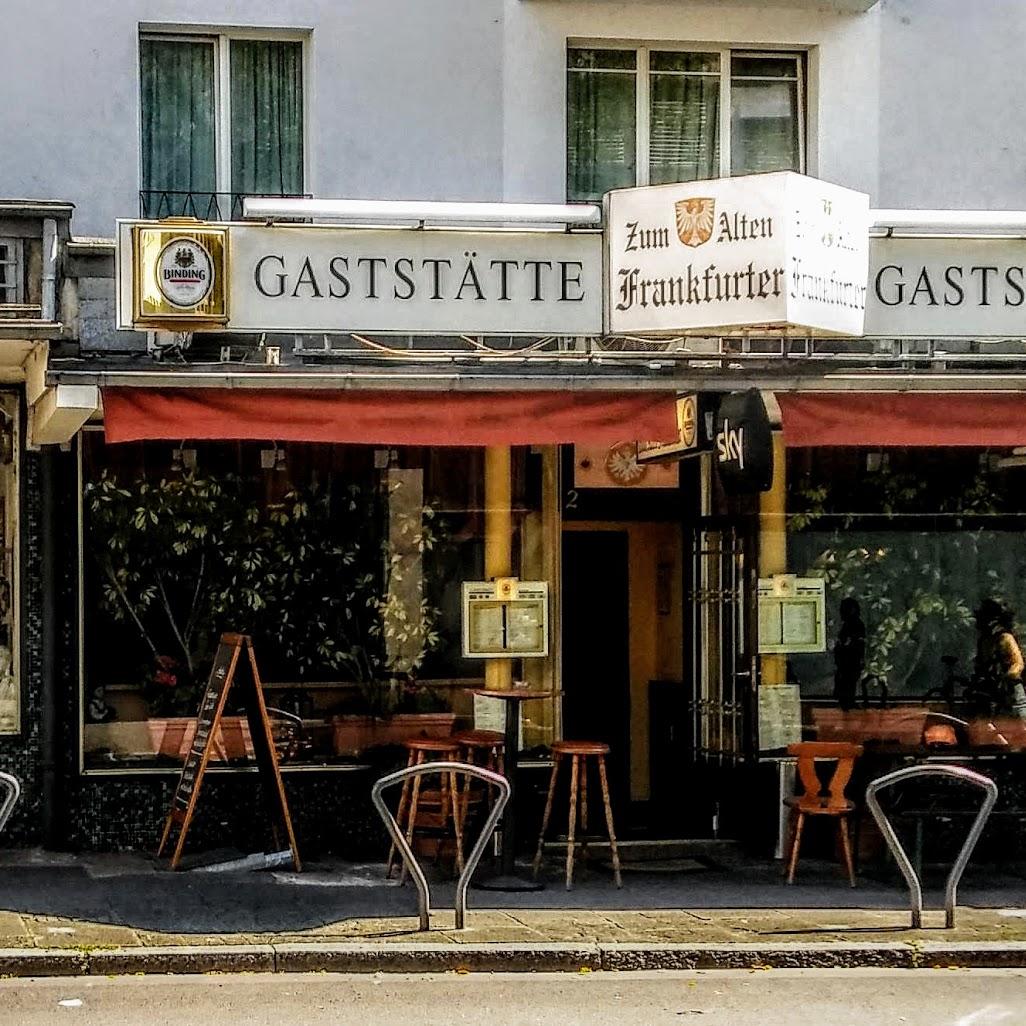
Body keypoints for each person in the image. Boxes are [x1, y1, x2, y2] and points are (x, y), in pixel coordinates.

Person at [973, 598, 1026, 720]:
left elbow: (1018, 664)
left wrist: (1006, 678)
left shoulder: (1005, 638)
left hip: (1011, 694)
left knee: (1020, 726)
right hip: (994, 695)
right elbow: (981, 665)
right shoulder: (984, 642)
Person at [833, 597, 866, 711]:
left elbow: (855, 642)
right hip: (848, 658)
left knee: (849, 680)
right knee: (848, 680)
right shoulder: (851, 624)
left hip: (851, 658)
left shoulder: (854, 624)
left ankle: (847, 701)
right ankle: (846, 701)